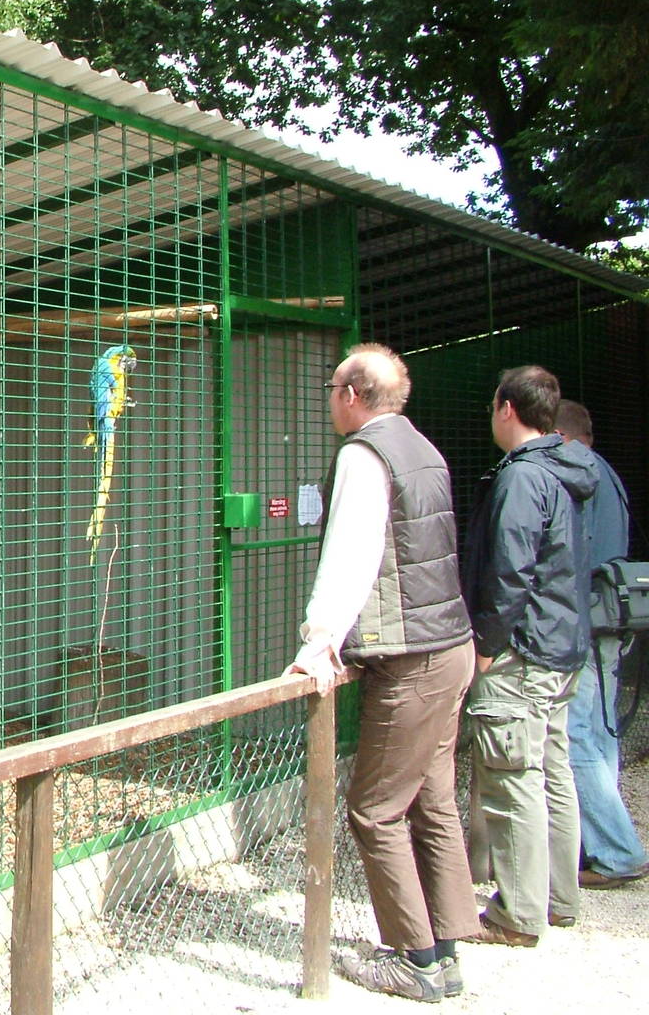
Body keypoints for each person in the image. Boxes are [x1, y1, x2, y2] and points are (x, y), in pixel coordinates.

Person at [287, 344, 479, 1002]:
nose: (329, 396)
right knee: (432, 798)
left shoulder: (364, 455)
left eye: (332, 385)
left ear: (353, 395)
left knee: (374, 809)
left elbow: (352, 553)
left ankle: (416, 961)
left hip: (413, 661)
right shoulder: (423, 448)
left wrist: (319, 641)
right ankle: (445, 949)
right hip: (450, 646)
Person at [460, 366, 596, 947]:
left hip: (524, 651)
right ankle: (559, 899)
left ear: (507, 409)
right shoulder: (568, 470)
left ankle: (518, 914)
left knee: (513, 778)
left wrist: (487, 646)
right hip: (564, 646)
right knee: (552, 772)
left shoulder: (523, 478)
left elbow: (510, 570)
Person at [554, 398, 649, 887]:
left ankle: (617, 850)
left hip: (586, 624)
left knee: (574, 737)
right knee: (602, 732)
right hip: (613, 624)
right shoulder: (610, 475)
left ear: (561, 436)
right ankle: (598, 843)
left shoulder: (578, 470)